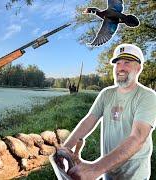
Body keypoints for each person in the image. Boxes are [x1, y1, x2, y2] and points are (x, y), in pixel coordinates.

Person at [62, 44, 156, 180]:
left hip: (134, 174)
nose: (121, 68)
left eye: (127, 62)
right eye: (118, 63)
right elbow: (89, 121)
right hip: (108, 172)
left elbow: (138, 137)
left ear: (139, 68)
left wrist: (95, 169)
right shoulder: (106, 94)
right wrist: (66, 149)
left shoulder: (147, 96)